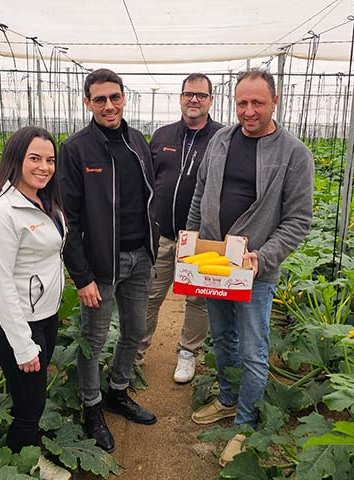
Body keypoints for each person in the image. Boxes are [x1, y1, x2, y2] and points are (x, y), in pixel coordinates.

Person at [186, 69, 314, 466]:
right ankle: (227, 398)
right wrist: (192, 239)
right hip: (213, 263)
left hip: (254, 270)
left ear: (275, 101)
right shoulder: (221, 140)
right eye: (242, 102)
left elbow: (297, 220)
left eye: (257, 102)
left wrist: (265, 257)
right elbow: (201, 194)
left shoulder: (294, 154)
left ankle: (244, 423)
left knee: (255, 349)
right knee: (222, 339)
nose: (249, 110)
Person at [58, 68, 159, 453]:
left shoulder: (137, 141)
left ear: (124, 98)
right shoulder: (75, 149)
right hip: (100, 265)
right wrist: (81, 277)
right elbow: (69, 219)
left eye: (114, 97)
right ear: (87, 102)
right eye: (99, 99)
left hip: (140, 258)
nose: (108, 105)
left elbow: (146, 197)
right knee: (93, 338)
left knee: (134, 331)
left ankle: (117, 390)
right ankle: (91, 405)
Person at [0, 126, 71, 480]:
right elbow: (1, 286)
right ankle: (24, 463)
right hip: (16, 324)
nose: (44, 167)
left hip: (44, 315)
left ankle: (26, 446)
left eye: (49, 160)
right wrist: (22, 345)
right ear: (16, 160)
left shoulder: (44, 201)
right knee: (30, 403)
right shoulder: (1, 215)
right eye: (35, 158)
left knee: (30, 395)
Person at [138, 73, 223, 383]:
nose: (194, 100)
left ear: (211, 100)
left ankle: (188, 352)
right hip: (161, 234)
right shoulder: (162, 136)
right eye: (189, 94)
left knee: (197, 300)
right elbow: (145, 182)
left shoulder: (223, 139)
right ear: (180, 98)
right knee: (149, 295)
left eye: (201, 95)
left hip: (201, 240)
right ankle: (137, 350)